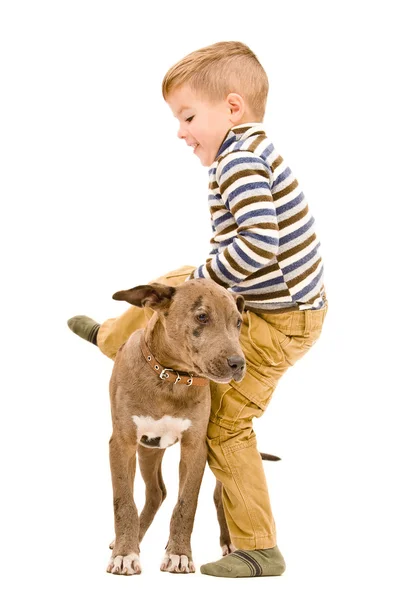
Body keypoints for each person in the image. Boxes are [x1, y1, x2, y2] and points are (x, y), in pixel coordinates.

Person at [68, 41, 327, 578]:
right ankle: (113, 337)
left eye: (188, 117)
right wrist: (195, 282)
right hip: (271, 300)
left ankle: (257, 546)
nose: (181, 131)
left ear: (232, 109)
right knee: (170, 284)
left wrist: (206, 283)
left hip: (283, 318)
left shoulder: (241, 161)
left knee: (226, 427)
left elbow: (260, 244)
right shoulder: (244, 154)